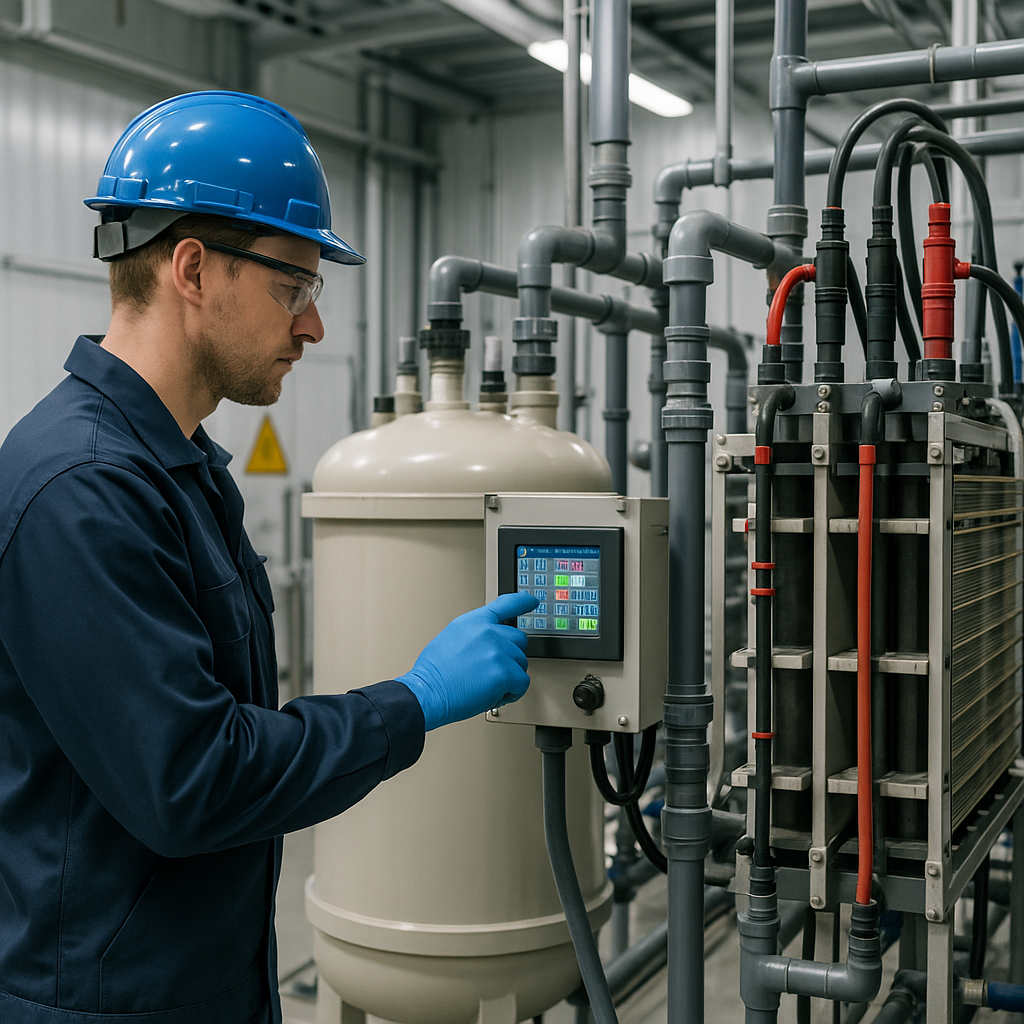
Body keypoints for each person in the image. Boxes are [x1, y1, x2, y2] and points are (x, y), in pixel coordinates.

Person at [0, 91, 537, 1024]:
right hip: (107, 1003)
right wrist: (416, 699)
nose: (313, 326)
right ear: (195, 270)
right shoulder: (82, 490)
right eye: (294, 285)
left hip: (205, 982)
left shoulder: (183, 467)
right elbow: (194, 781)